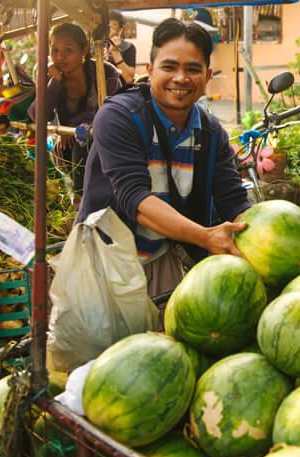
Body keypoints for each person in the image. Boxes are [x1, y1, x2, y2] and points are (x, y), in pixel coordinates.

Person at [78, 18, 250, 297]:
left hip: (160, 259)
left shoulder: (209, 132)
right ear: (151, 70)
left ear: (207, 76)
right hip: (105, 259)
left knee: (164, 336)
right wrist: (206, 237)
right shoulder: (119, 117)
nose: (180, 78)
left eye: (193, 69)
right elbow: (134, 198)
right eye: (169, 67)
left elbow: (232, 199)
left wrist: (263, 237)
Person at [30, 23, 122, 193]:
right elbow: (38, 116)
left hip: (108, 146)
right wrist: (54, 82)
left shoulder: (105, 73)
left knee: (83, 142)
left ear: (84, 50)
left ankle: (83, 197)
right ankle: (79, 198)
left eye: (68, 50)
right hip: (71, 153)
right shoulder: (52, 77)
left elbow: (114, 112)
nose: (60, 57)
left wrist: (76, 126)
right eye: (55, 50)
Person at [105, 10, 137, 86]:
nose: (109, 28)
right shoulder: (96, 47)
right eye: (107, 25)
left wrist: (115, 52)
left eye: (113, 25)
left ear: (120, 30)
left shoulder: (128, 47)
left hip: (121, 92)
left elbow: (129, 79)